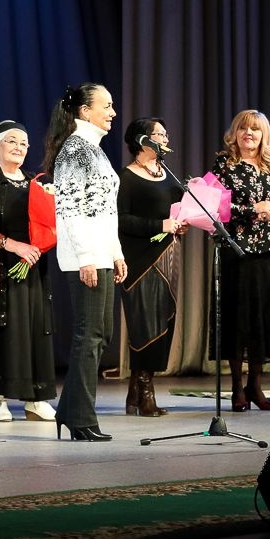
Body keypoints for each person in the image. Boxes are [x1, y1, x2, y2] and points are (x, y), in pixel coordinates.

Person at [42, 83, 127, 441]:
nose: (112, 113)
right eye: (106, 106)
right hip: (85, 256)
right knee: (89, 335)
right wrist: (87, 258)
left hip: (100, 253)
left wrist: (116, 252)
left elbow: (105, 210)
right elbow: (70, 210)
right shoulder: (75, 150)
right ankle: (80, 419)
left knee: (101, 333)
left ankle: (69, 410)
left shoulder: (93, 149)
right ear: (84, 111)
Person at [209, 109, 270, 413]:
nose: (249, 134)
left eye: (255, 130)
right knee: (238, 321)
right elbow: (215, 207)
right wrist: (251, 210)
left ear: (263, 135)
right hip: (237, 253)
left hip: (268, 254)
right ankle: (236, 387)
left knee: (262, 320)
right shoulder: (224, 166)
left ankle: (255, 386)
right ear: (235, 133)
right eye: (244, 128)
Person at [0, 119, 58, 422]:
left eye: (24, 143)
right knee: (1, 326)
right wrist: (11, 245)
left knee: (36, 327)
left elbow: (48, 220)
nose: (19, 147)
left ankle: (36, 398)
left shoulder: (36, 182)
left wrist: (41, 243)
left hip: (33, 262)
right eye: (12, 141)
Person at [116, 117, 188, 417]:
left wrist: (180, 224)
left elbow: (175, 211)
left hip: (169, 255)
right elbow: (121, 219)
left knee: (164, 321)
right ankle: (145, 393)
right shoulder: (126, 177)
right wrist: (160, 225)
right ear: (142, 140)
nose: (166, 138)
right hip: (140, 260)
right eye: (159, 134)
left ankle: (135, 393)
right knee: (146, 326)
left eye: (166, 133)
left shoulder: (168, 173)